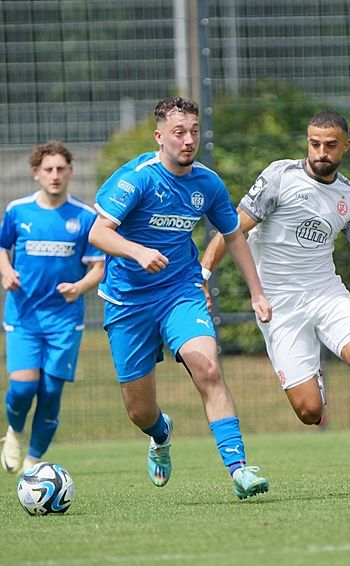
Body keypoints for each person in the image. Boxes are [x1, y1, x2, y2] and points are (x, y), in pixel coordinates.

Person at [201, 110, 350, 495]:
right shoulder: (280, 177)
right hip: (280, 306)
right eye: (315, 144)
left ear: (344, 146)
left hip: (326, 293)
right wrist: (204, 274)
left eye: (331, 145)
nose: (321, 152)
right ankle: (314, 376)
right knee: (311, 413)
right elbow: (232, 229)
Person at [88, 97, 272, 500]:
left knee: (207, 368)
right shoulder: (136, 178)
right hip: (127, 302)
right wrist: (137, 252)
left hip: (179, 292)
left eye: (194, 132)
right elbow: (98, 233)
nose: (189, 140)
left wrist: (257, 292)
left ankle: (239, 469)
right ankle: (161, 433)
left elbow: (233, 235)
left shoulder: (207, 183)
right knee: (140, 412)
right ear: (160, 136)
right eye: (179, 133)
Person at [0, 140, 105, 474]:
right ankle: (14, 431)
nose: (55, 176)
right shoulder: (18, 211)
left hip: (64, 319)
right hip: (24, 316)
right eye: (48, 170)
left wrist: (79, 287)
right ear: (36, 174)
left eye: (61, 169)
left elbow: (98, 267)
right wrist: (6, 271)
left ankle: (33, 463)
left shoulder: (85, 217)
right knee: (24, 388)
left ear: (70, 172)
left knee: (51, 390)